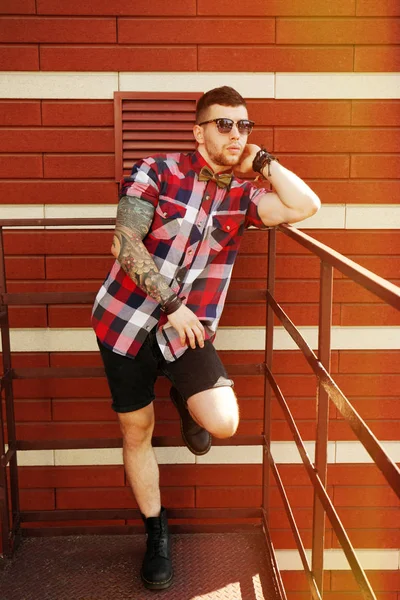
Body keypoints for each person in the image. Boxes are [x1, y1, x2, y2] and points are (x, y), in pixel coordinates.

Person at [91, 86, 320, 590]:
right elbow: (123, 241)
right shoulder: (156, 170)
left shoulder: (245, 195)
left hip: (187, 332)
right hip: (125, 322)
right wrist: (170, 306)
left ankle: (183, 393)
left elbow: (306, 206)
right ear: (198, 131)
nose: (236, 134)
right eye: (224, 124)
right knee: (137, 430)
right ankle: (156, 531)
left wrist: (263, 161)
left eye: (244, 126)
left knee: (224, 422)